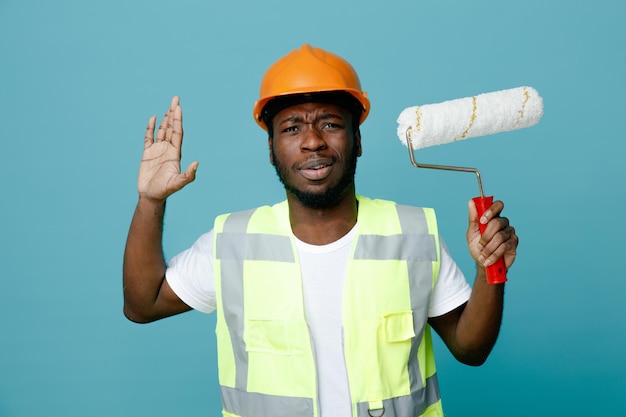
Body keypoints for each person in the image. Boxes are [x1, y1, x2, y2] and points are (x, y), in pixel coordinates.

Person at [123, 44, 518, 417]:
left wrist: (489, 270)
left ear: (357, 139)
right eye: (292, 128)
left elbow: (471, 349)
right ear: (271, 148)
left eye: (330, 123)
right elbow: (143, 304)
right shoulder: (231, 243)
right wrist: (150, 202)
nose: (313, 141)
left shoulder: (413, 233)